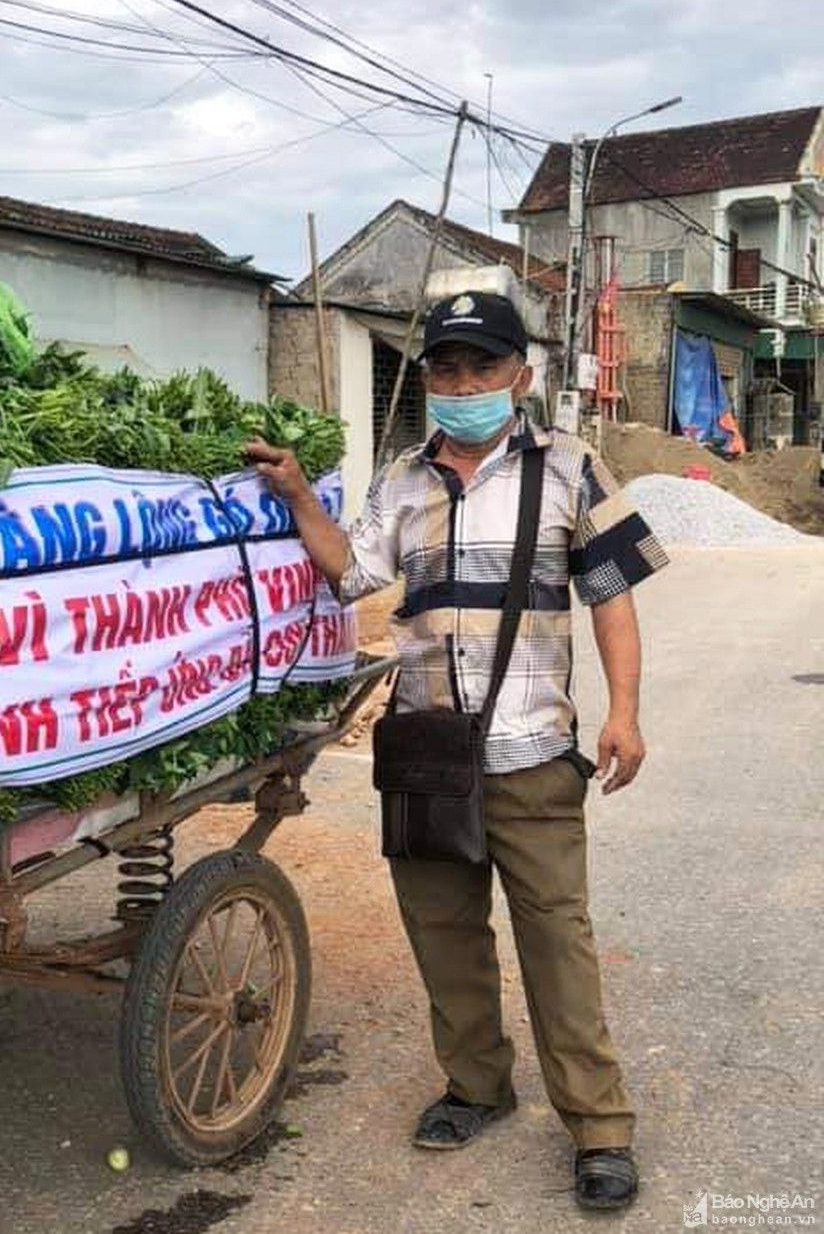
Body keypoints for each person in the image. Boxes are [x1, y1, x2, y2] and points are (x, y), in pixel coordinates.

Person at [247, 291, 667, 1212]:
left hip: (533, 749)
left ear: (521, 374)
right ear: (429, 378)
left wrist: (624, 711)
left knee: (558, 939)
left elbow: (612, 595)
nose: (464, 384)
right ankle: (477, 1083)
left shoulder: (570, 467)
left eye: (483, 367)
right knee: (444, 933)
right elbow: (352, 572)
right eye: (446, 368)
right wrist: (290, 494)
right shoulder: (400, 478)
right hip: (429, 746)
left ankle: (598, 1127)